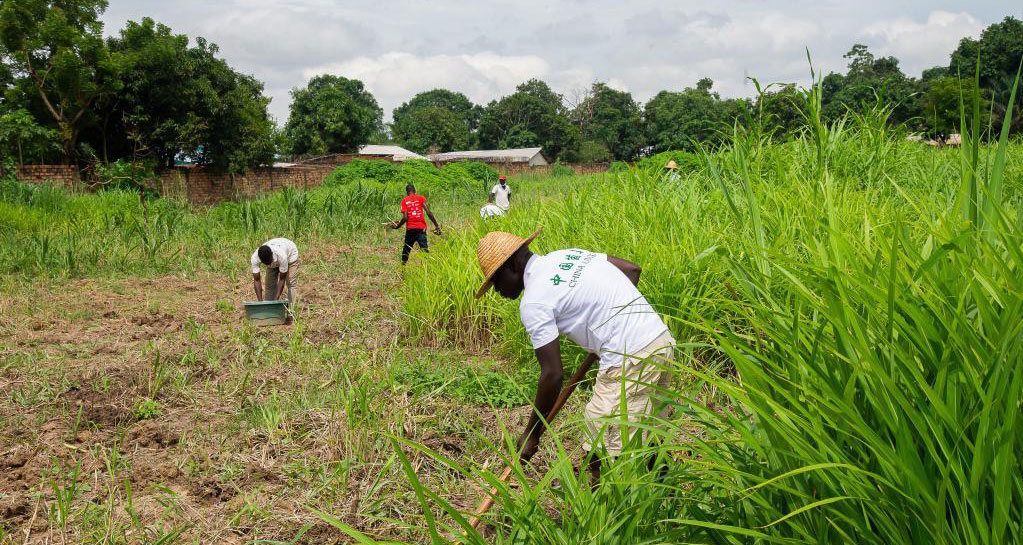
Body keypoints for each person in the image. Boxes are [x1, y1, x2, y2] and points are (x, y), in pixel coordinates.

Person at [474, 228, 674, 480]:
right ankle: (667, 506)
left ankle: (607, 515)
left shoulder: (534, 301)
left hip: (630, 356)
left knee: (600, 448)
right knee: (646, 436)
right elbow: (632, 270)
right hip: (660, 341)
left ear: (512, 265)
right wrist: (611, 321)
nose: (497, 290)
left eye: (495, 280)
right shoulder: (567, 256)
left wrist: (532, 434)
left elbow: (553, 374)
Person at [389, 184, 441, 264]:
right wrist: (436, 225)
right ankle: (427, 268)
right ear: (415, 190)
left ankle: (403, 267)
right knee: (424, 249)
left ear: (407, 192)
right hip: (421, 228)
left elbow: (405, 218)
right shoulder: (420, 198)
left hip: (411, 229)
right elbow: (428, 212)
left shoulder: (405, 200)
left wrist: (397, 226)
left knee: (406, 249)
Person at [251, 237, 299, 323]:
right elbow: (257, 280)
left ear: (272, 255)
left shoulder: (281, 256)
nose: (269, 264)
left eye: (270, 261)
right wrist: (260, 303)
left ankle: (291, 312)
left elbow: (282, 279)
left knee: (291, 283)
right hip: (275, 257)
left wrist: (276, 301)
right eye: (266, 263)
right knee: (269, 285)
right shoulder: (255, 257)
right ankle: (269, 312)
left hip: (290, 254)